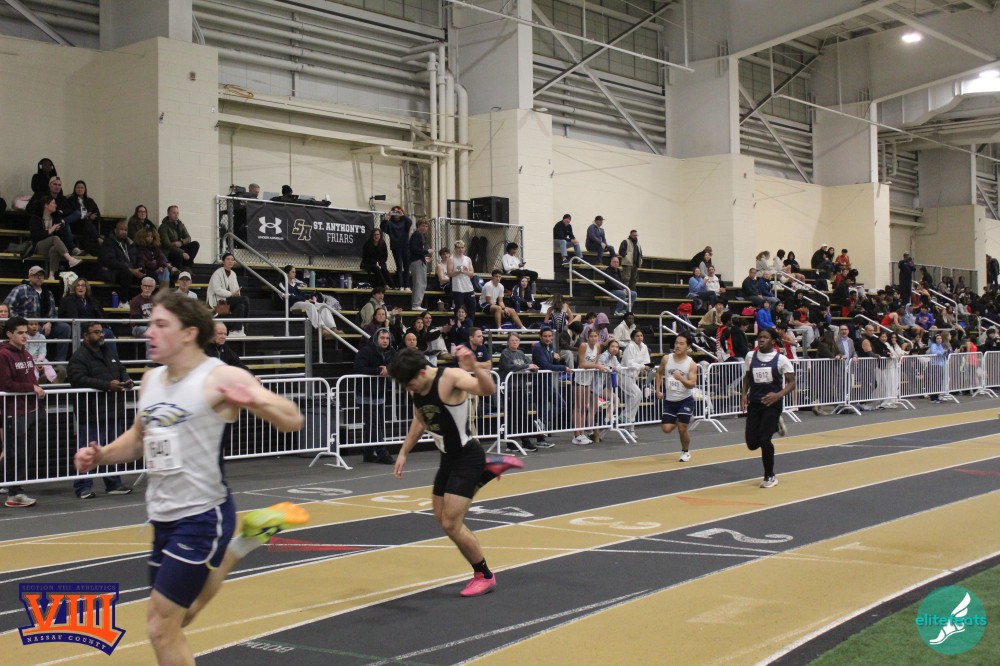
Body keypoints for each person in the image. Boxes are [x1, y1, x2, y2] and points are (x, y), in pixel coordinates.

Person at [73, 291, 308, 664]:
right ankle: (238, 548)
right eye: (149, 324)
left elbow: (293, 419)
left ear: (188, 333)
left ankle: (232, 547)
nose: (149, 332)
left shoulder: (219, 376)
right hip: (162, 514)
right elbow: (138, 438)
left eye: (160, 325)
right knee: (182, 616)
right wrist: (101, 455)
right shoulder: (150, 379)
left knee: (159, 626)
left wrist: (255, 400)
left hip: (202, 514)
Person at [388, 346, 522, 596]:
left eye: (409, 384)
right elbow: (421, 418)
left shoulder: (450, 378)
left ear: (422, 372)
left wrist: (475, 368)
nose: (408, 389)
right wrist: (404, 451)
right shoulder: (417, 386)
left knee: (452, 523)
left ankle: (484, 575)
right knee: (441, 518)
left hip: (467, 457)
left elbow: (488, 390)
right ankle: (487, 470)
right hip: (448, 458)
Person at [67, 322, 133, 499]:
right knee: (87, 451)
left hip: (111, 410)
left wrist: (126, 379)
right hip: (91, 413)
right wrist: (107, 385)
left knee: (111, 450)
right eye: (96, 332)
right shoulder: (79, 357)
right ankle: (82, 486)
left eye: (101, 332)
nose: (101, 335)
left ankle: (113, 483)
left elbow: (121, 369)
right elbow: (77, 379)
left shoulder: (108, 352)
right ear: (85, 336)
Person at [741, 327, 796, 488]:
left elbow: (792, 382)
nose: (761, 339)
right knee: (752, 444)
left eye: (765, 337)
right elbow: (747, 377)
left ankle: (769, 476)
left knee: (765, 440)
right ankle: (775, 426)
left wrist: (778, 395)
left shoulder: (781, 359)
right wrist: (744, 395)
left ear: (773, 341)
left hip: (772, 404)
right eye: (759, 337)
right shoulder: (750, 356)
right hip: (755, 403)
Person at [0, 317, 43, 507]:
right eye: (20, 332)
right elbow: (5, 384)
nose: (25, 335)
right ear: (9, 334)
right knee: (13, 453)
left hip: (31, 409)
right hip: (14, 411)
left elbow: (31, 378)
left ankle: (17, 490)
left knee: (25, 453)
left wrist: (36, 390)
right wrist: (32, 388)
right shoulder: (4, 355)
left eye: (26, 332)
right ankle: (14, 493)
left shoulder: (25, 353)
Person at [4, 266, 71, 363]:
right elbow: (7, 307)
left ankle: (60, 362)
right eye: (36, 275)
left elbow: (53, 313)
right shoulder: (20, 289)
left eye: (41, 275)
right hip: (27, 325)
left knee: (65, 328)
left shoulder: (48, 292)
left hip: (46, 325)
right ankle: (36, 362)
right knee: (36, 329)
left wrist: (49, 323)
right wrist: (22, 322)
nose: (39, 277)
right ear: (30, 277)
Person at [353, 327, 397, 464]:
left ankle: (368, 453)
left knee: (374, 424)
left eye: (387, 338)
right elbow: (358, 368)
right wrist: (378, 371)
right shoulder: (366, 351)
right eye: (382, 338)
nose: (385, 341)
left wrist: (389, 369)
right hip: (366, 394)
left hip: (380, 393)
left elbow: (397, 364)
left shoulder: (392, 352)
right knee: (374, 424)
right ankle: (382, 453)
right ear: (376, 339)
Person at [655, 332, 698, 461]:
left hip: (685, 400)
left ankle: (685, 452)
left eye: (681, 343)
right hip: (670, 400)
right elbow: (659, 372)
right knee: (666, 429)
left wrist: (681, 379)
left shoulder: (691, 364)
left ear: (688, 346)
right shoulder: (666, 359)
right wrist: (658, 390)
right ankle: (681, 418)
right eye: (676, 343)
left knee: (682, 428)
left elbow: (692, 384)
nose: (678, 346)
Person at [498, 332, 542, 452]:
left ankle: (524, 441)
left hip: (521, 388)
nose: (514, 342)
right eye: (512, 340)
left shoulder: (521, 353)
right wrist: (527, 366)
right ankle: (511, 442)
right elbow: (510, 367)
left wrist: (533, 368)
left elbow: (529, 363)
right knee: (512, 416)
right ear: (508, 342)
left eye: (516, 340)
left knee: (522, 415)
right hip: (509, 389)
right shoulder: (505, 353)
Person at [28, 195, 81, 278]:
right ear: (46, 205)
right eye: (53, 203)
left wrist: (57, 230)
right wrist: (50, 231)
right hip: (38, 246)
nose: (56, 205)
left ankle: (51, 275)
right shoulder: (36, 218)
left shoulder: (55, 217)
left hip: (51, 245)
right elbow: (35, 236)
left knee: (55, 249)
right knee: (54, 238)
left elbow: (60, 235)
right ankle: (70, 259)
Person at [573, 328, 607, 445]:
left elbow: (596, 362)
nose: (593, 338)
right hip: (579, 379)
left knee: (584, 407)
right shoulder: (583, 346)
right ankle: (577, 435)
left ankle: (582, 433)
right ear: (588, 337)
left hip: (589, 379)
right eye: (591, 336)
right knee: (578, 406)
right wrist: (597, 367)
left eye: (595, 336)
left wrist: (602, 367)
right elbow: (582, 364)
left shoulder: (598, 346)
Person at [280, 265, 336, 334]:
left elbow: (303, 287)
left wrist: (308, 299)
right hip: (292, 304)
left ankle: (333, 327)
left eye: (295, 272)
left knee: (323, 306)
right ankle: (322, 328)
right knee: (310, 306)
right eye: (292, 272)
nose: (295, 274)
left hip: (303, 302)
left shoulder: (296, 283)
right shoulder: (282, 284)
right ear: (287, 273)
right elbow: (289, 296)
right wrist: (304, 300)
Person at [99, 220, 143, 300]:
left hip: (131, 270)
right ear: (115, 230)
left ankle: (141, 301)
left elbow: (138, 256)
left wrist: (140, 267)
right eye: (121, 229)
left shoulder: (130, 243)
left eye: (126, 230)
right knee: (126, 274)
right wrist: (129, 269)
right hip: (113, 272)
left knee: (148, 275)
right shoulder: (109, 242)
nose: (124, 232)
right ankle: (124, 301)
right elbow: (110, 261)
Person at [207, 253, 249, 336]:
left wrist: (237, 293)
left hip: (229, 301)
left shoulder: (233, 274)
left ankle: (235, 331)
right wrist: (231, 294)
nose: (230, 261)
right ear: (223, 261)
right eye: (228, 259)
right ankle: (244, 323)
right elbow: (217, 289)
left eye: (232, 260)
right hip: (219, 303)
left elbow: (236, 289)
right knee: (245, 299)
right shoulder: (217, 273)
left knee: (241, 305)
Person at [59, 180, 102, 255]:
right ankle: (98, 238)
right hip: (75, 225)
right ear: (75, 189)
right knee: (85, 221)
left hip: (86, 225)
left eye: (82, 188)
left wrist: (92, 217)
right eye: (78, 187)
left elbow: (98, 215)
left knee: (86, 222)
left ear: (85, 190)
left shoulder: (90, 201)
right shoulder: (69, 200)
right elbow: (67, 213)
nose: (80, 189)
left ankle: (87, 250)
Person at [619, 328, 651, 429]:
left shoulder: (644, 347)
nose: (639, 338)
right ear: (633, 338)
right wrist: (643, 367)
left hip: (633, 377)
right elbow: (630, 363)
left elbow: (647, 361)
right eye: (637, 336)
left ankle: (630, 428)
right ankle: (624, 416)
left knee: (633, 400)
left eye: (641, 336)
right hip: (624, 375)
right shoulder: (630, 346)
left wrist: (646, 366)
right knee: (638, 394)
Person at [380, 205, 413, 290]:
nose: (396, 213)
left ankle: (407, 285)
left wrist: (403, 215)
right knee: (399, 266)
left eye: (398, 211)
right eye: (394, 211)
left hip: (405, 246)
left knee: (406, 266)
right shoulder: (390, 223)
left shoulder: (404, 221)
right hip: (396, 247)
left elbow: (410, 223)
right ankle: (401, 285)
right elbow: (383, 228)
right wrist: (386, 219)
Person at [159, 205, 200, 270]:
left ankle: (187, 266)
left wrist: (181, 242)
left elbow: (188, 238)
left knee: (195, 244)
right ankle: (181, 269)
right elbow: (166, 244)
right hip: (170, 251)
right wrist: (182, 252)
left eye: (177, 213)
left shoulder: (180, 225)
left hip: (179, 247)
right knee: (178, 254)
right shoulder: (163, 227)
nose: (176, 215)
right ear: (168, 214)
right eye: (174, 213)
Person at [448, 240, 477, 319]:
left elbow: (472, 274)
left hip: (468, 288)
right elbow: (449, 273)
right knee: (459, 309)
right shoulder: (451, 259)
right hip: (458, 288)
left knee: (472, 308)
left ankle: (470, 324)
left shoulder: (468, 259)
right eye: (458, 248)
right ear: (455, 249)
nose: (460, 249)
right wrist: (459, 272)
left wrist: (465, 272)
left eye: (462, 247)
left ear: (464, 248)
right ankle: (458, 324)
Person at [408, 218, 433, 309]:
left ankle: (416, 304)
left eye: (426, 226)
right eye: (423, 226)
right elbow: (414, 248)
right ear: (418, 226)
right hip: (417, 262)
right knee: (420, 283)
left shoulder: (418, 235)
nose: (425, 228)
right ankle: (416, 304)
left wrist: (423, 257)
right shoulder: (417, 235)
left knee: (419, 283)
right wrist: (426, 251)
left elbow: (415, 250)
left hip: (418, 260)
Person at [130, 277, 157, 345]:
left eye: (150, 286)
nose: (147, 288)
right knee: (150, 332)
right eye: (145, 286)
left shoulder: (156, 300)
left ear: (153, 288)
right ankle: (150, 352)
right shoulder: (135, 300)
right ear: (141, 287)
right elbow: (137, 320)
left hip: (152, 325)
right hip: (138, 327)